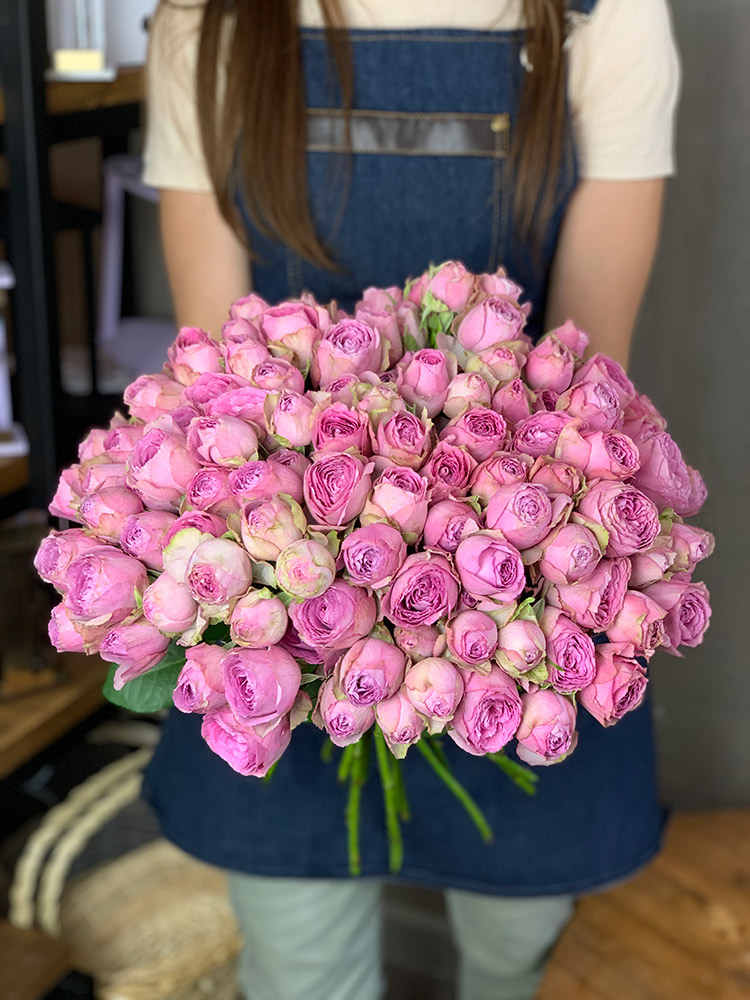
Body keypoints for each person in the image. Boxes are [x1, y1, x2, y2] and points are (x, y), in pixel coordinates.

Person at [142, 2, 680, 998]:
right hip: (282, 605)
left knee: (519, 952)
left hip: (523, 608)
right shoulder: (206, 24)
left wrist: (459, 587)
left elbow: (585, 387)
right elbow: (219, 389)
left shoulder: (606, 13)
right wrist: (323, 591)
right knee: (301, 963)